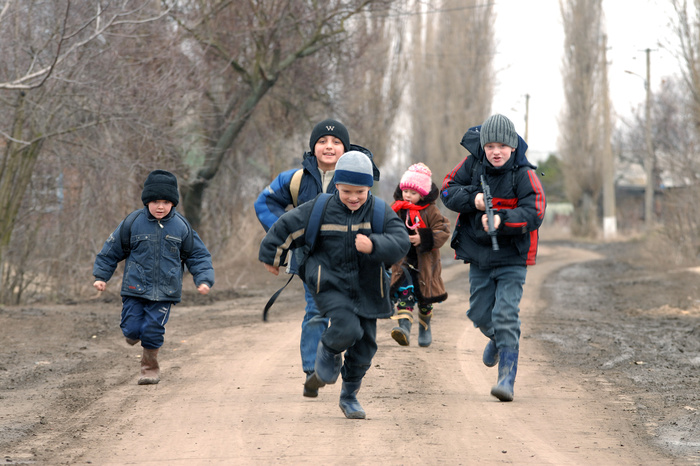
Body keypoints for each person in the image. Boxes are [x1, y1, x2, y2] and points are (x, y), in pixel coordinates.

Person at [258, 151, 410, 419]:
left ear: (368, 189)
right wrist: (273, 257)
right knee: (347, 327)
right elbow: (286, 228)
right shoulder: (320, 208)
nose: (353, 197)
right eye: (347, 191)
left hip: (368, 288)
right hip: (329, 284)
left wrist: (374, 244)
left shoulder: (378, 211)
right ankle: (328, 349)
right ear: (336, 185)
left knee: (366, 347)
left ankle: (349, 395)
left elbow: (401, 242)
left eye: (360, 192)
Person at [254, 119, 379, 398]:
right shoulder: (295, 179)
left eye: (336, 142)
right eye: (322, 141)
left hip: (351, 259)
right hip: (311, 259)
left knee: (349, 314)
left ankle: (331, 354)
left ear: (345, 148)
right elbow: (264, 203)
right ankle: (313, 371)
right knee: (315, 310)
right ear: (313, 147)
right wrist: (287, 237)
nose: (329, 146)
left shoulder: (359, 175)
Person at [440, 114, 546, 402]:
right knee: (479, 313)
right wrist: (473, 199)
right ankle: (498, 340)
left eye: (502, 146)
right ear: (483, 147)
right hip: (479, 257)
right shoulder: (472, 165)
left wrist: (503, 220)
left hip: (512, 258)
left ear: (512, 147)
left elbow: (535, 211)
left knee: (506, 315)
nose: (496, 151)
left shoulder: (524, 174)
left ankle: (506, 379)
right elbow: (447, 190)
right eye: (490, 146)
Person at [93, 169, 215, 385]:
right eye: (156, 201)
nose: (161, 206)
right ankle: (133, 334)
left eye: (166, 202)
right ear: (147, 201)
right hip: (134, 288)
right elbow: (111, 250)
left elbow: (197, 255)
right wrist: (101, 276)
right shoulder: (133, 222)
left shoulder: (181, 226)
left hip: (165, 291)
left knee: (152, 330)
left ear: (173, 203)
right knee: (131, 330)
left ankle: (149, 369)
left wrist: (203, 279)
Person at [388, 162, 450, 347]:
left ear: (422, 194)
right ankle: (404, 329)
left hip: (425, 263)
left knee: (425, 301)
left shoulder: (430, 211)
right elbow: (388, 226)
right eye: (405, 190)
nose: (407, 195)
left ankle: (424, 326)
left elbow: (443, 229)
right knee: (404, 294)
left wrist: (423, 238)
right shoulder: (397, 208)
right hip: (403, 261)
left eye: (413, 193)